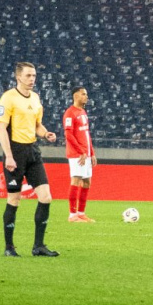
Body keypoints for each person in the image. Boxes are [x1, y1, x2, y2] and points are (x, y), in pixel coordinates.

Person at [0, 61, 60, 258]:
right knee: (14, 199)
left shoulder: (35, 98)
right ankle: (9, 247)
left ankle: (38, 246)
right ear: (18, 77)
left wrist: (46, 133)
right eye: (28, 76)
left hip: (32, 151)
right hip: (15, 153)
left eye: (34, 76)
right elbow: (1, 128)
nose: (32, 79)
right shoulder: (8, 98)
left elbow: (37, 125)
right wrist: (8, 156)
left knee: (46, 197)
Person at [63, 86, 95, 223]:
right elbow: (68, 134)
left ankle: (81, 213)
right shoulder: (70, 113)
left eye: (86, 94)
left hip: (86, 154)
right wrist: (81, 151)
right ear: (75, 96)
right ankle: (72, 215)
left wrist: (91, 153)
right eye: (83, 94)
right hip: (77, 154)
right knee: (76, 180)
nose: (86, 96)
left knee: (87, 182)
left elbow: (86, 134)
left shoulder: (83, 112)